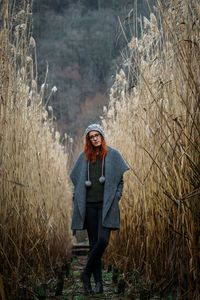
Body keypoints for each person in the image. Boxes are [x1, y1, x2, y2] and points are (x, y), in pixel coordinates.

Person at [69, 123, 129, 294]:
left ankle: (85, 273)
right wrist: (77, 198)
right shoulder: (84, 157)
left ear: (102, 136)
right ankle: (99, 285)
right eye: (91, 136)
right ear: (88, 140)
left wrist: (117, 196)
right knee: (94, 243)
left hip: (106, 206)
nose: (95, 138)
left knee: (103, 241)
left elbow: (120, 181)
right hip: (89, 206)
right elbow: (77, 181)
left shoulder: (113, 155)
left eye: (97, 135)